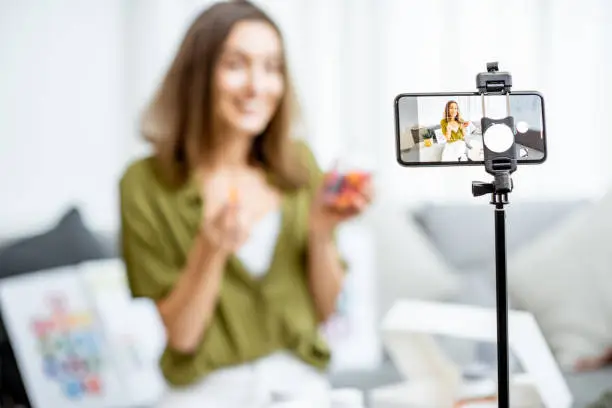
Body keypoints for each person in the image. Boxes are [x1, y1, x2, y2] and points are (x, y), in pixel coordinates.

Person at [118, 1, 373, 407]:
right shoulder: (145, 184)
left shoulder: (298, 164)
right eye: (236, 64)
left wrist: (321, 232)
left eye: (272, 67)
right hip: (204, 394)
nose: (258, 86)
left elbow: (328, 314)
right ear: (198, 76)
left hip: (300, 386)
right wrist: (211, 247)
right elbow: (183, 337)